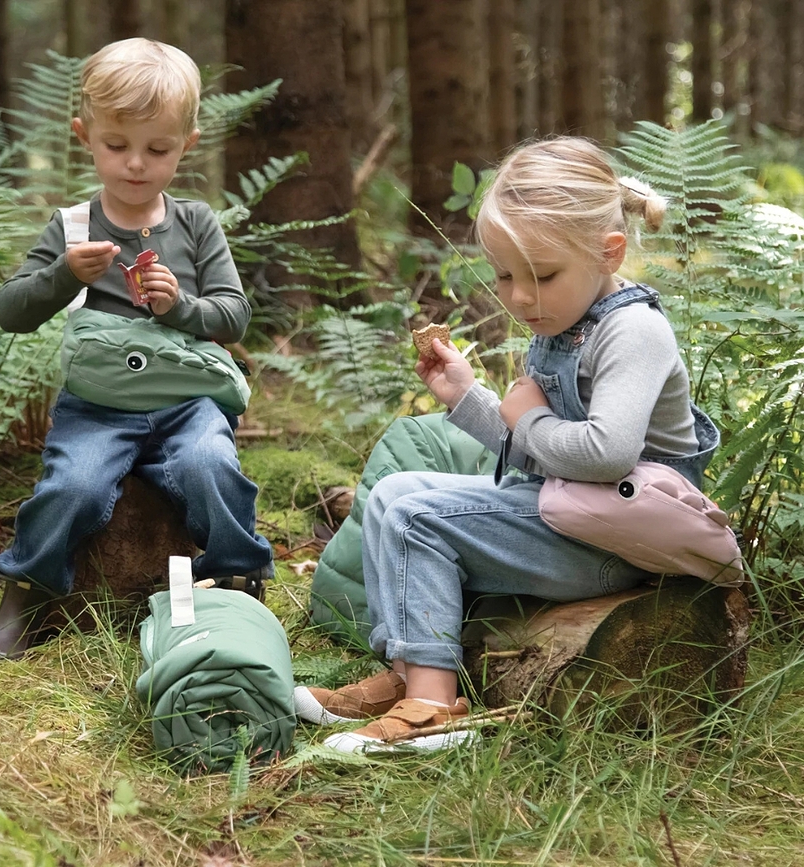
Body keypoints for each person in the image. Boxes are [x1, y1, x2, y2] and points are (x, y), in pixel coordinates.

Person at [294, 137, 720, 753]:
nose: (520, 296)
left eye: (542, 275)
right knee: (391, 495)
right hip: (572, 515)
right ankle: (409, 674)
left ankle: (432, 710)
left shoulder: (634, 331)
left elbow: (607, 455)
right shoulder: (564, 322)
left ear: (609, 252)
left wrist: (528, 419)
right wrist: (467, 397)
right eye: (504, 275)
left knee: (417, 519)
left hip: (625, 542)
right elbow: (538, 451)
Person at [0, 38, 273, 662]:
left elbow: (235, 314)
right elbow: (11, 311)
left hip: (188, 402)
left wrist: (181, 307)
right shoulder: (74, 227)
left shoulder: (195, 224)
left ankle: (238, 581)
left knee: (210, 466)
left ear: (186, 145)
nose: (136, 164)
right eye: (117, 145)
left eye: (158, 150)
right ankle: (26, 594)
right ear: (84, 136)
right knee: (73, 486)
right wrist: (64, 274)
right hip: (97, 405)